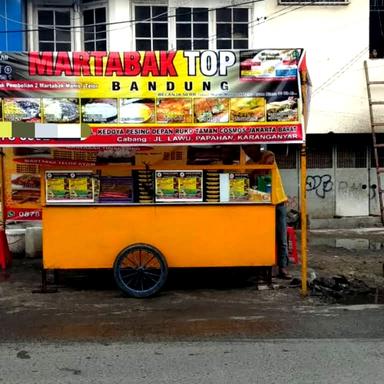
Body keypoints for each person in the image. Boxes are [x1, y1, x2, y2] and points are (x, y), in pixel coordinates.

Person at [242, 146, 291, 279]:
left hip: (277, 200)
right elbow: (250, 180)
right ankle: (263, 267)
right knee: (262, 236)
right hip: (261, 203)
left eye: (250, 149)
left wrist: (253, 173)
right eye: (245, 149)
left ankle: (283, 267)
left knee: (281, 236)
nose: (248, 151)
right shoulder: (249, 163)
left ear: (257, 147)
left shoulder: (268, 154)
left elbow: (264, 171)